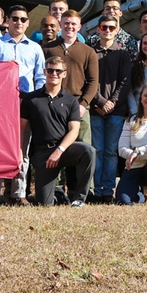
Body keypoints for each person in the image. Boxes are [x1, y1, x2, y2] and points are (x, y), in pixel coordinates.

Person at [0, 5, 46, 205]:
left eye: (23, 19)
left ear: (27, 23)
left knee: (21, 150)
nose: (19, 22)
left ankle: (19, 194)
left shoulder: (35, 48)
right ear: (7, 21)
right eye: (15, 18)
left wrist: (35, 99)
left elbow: (41, 77)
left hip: (25, 104)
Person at [21, 56, 96, 208]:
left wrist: (59, 151)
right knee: (44, 204)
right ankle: (56, 195)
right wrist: (20, 154)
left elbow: (74, 130)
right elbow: (22, 130)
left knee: (89, 151)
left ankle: (79, 199)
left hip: (65, 149)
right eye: (50, 70)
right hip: (42, 154)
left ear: (64, 74)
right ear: (44, 72)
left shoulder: (71, 101)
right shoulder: (31, 99)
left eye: (58, 71)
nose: (53, 74)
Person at [42, 10, 99, 199]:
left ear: (79, 26)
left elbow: (92, 82)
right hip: (53, 105)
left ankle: (81, 191)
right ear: (60, 25)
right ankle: (57, 191)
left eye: (74, 24)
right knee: (55, 146)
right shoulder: (48, 49)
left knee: (82, 148)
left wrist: (83, 104)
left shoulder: (88, 51)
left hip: (79, 105)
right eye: (66, 23)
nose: (70, 27)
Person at [88, 14, 132, 202]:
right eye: (104, 27)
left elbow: (125, 81)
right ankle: (97, 190)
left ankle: (108, 190)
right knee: (96, 149)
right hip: (95, 109)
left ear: (117, 30)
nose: (107, 31)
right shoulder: (90, 52)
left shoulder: (122, 53)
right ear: (98, 29)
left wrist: (111, 102)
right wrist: (99, 102)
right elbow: (87, 80)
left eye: (111, 28)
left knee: (111, 151)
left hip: (116, 110)